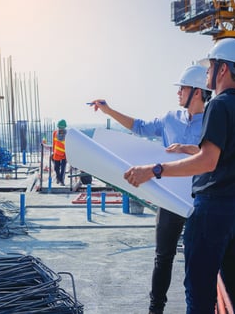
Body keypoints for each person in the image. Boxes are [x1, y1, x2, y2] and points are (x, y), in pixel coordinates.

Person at [124, 38, 235, 313]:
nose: (208, 72)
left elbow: (208, 162)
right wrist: (192, 148)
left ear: (223, 69)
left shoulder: (218, 106)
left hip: (214, 210)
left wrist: (155, 169)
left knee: (199, 293)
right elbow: (231, 156)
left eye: (210, 66)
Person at [90, 64, 212, 314]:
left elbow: (217, 157)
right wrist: (108, 109)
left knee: (197, 260)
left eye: (183, 88)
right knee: (163, 257)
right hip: (170, 199)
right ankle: (155, 310)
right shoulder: (170, 119)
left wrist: (190, 150)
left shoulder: (212, 121)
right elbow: (140, 126)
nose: (178, 93)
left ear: (197, 92)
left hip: (201, 199)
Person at [52, 119, 67, 186]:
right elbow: (54, 143)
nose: (60, 129)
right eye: (59, 127)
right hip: (56, 153)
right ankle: (58, 178)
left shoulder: (67, 135)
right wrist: (53, 152)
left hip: (64, 154)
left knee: (63, 169)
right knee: (56, 168)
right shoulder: (55, 133)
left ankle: (62, 181)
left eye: (61, 128)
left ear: (64, 128)